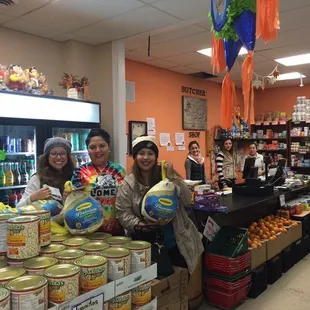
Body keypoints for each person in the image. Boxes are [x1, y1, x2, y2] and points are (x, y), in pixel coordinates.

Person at [115, 136, 204, 274]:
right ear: (135, 156)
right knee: (156, 284)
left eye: (150, 153)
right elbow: (122, 213)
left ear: (156, 156)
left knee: (179, 282)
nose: (146, 157)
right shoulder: (128, 183)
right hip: (145, 243)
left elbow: (187, 199)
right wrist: (140, 224)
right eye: (141, 153)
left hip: (175, 241)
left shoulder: (166, 176)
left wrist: (174, 177)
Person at [71, 128, 126, 235]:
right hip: (88, 230)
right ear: (88, 150)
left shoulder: (120, 170)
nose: (98, 150)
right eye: (92, 147)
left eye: (102, 146)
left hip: (117, 231)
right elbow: (73, 203)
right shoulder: (80, 171)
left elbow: (127, 199)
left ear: (108, 147)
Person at [17, 137, 75, 208]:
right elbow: (19, 207)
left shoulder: (75, 177)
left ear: (68, 157)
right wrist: (33, 197)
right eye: (53, 153)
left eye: (62, 153)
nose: (58, 157)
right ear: (47, 157)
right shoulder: (37, 179)